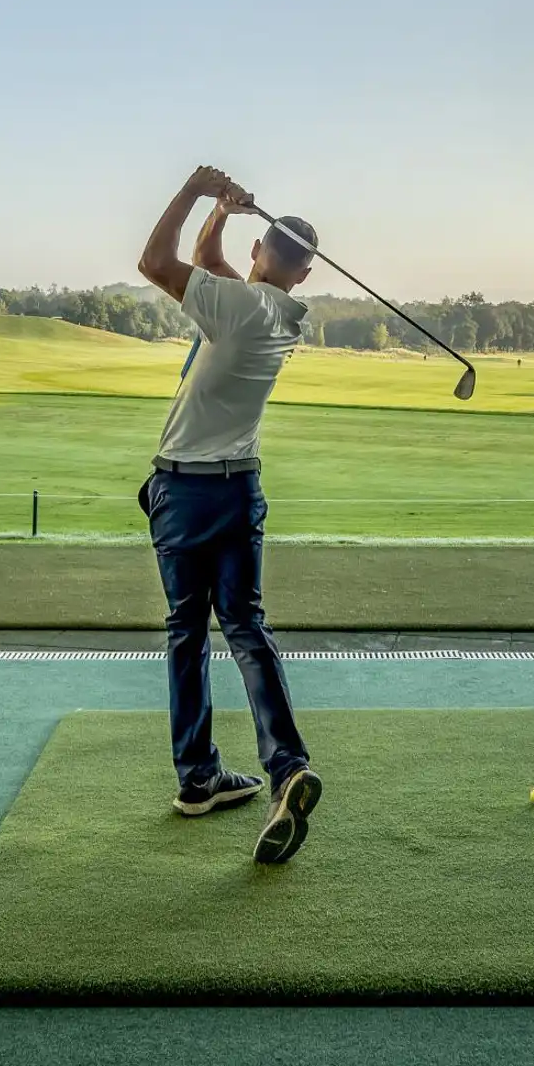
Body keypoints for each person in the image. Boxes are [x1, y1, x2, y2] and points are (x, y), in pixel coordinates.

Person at [135, 164, 322, 864]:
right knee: (245, 628)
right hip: (239, 491)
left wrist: (196, 191)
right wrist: (222, 213)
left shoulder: (238, 306)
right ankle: (285, 768)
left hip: (184, 494)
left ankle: (196, 777)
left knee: (187, 634)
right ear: (304, 274)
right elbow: (209, 263)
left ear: (258, 253)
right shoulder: (278, 314)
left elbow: (157, 263)